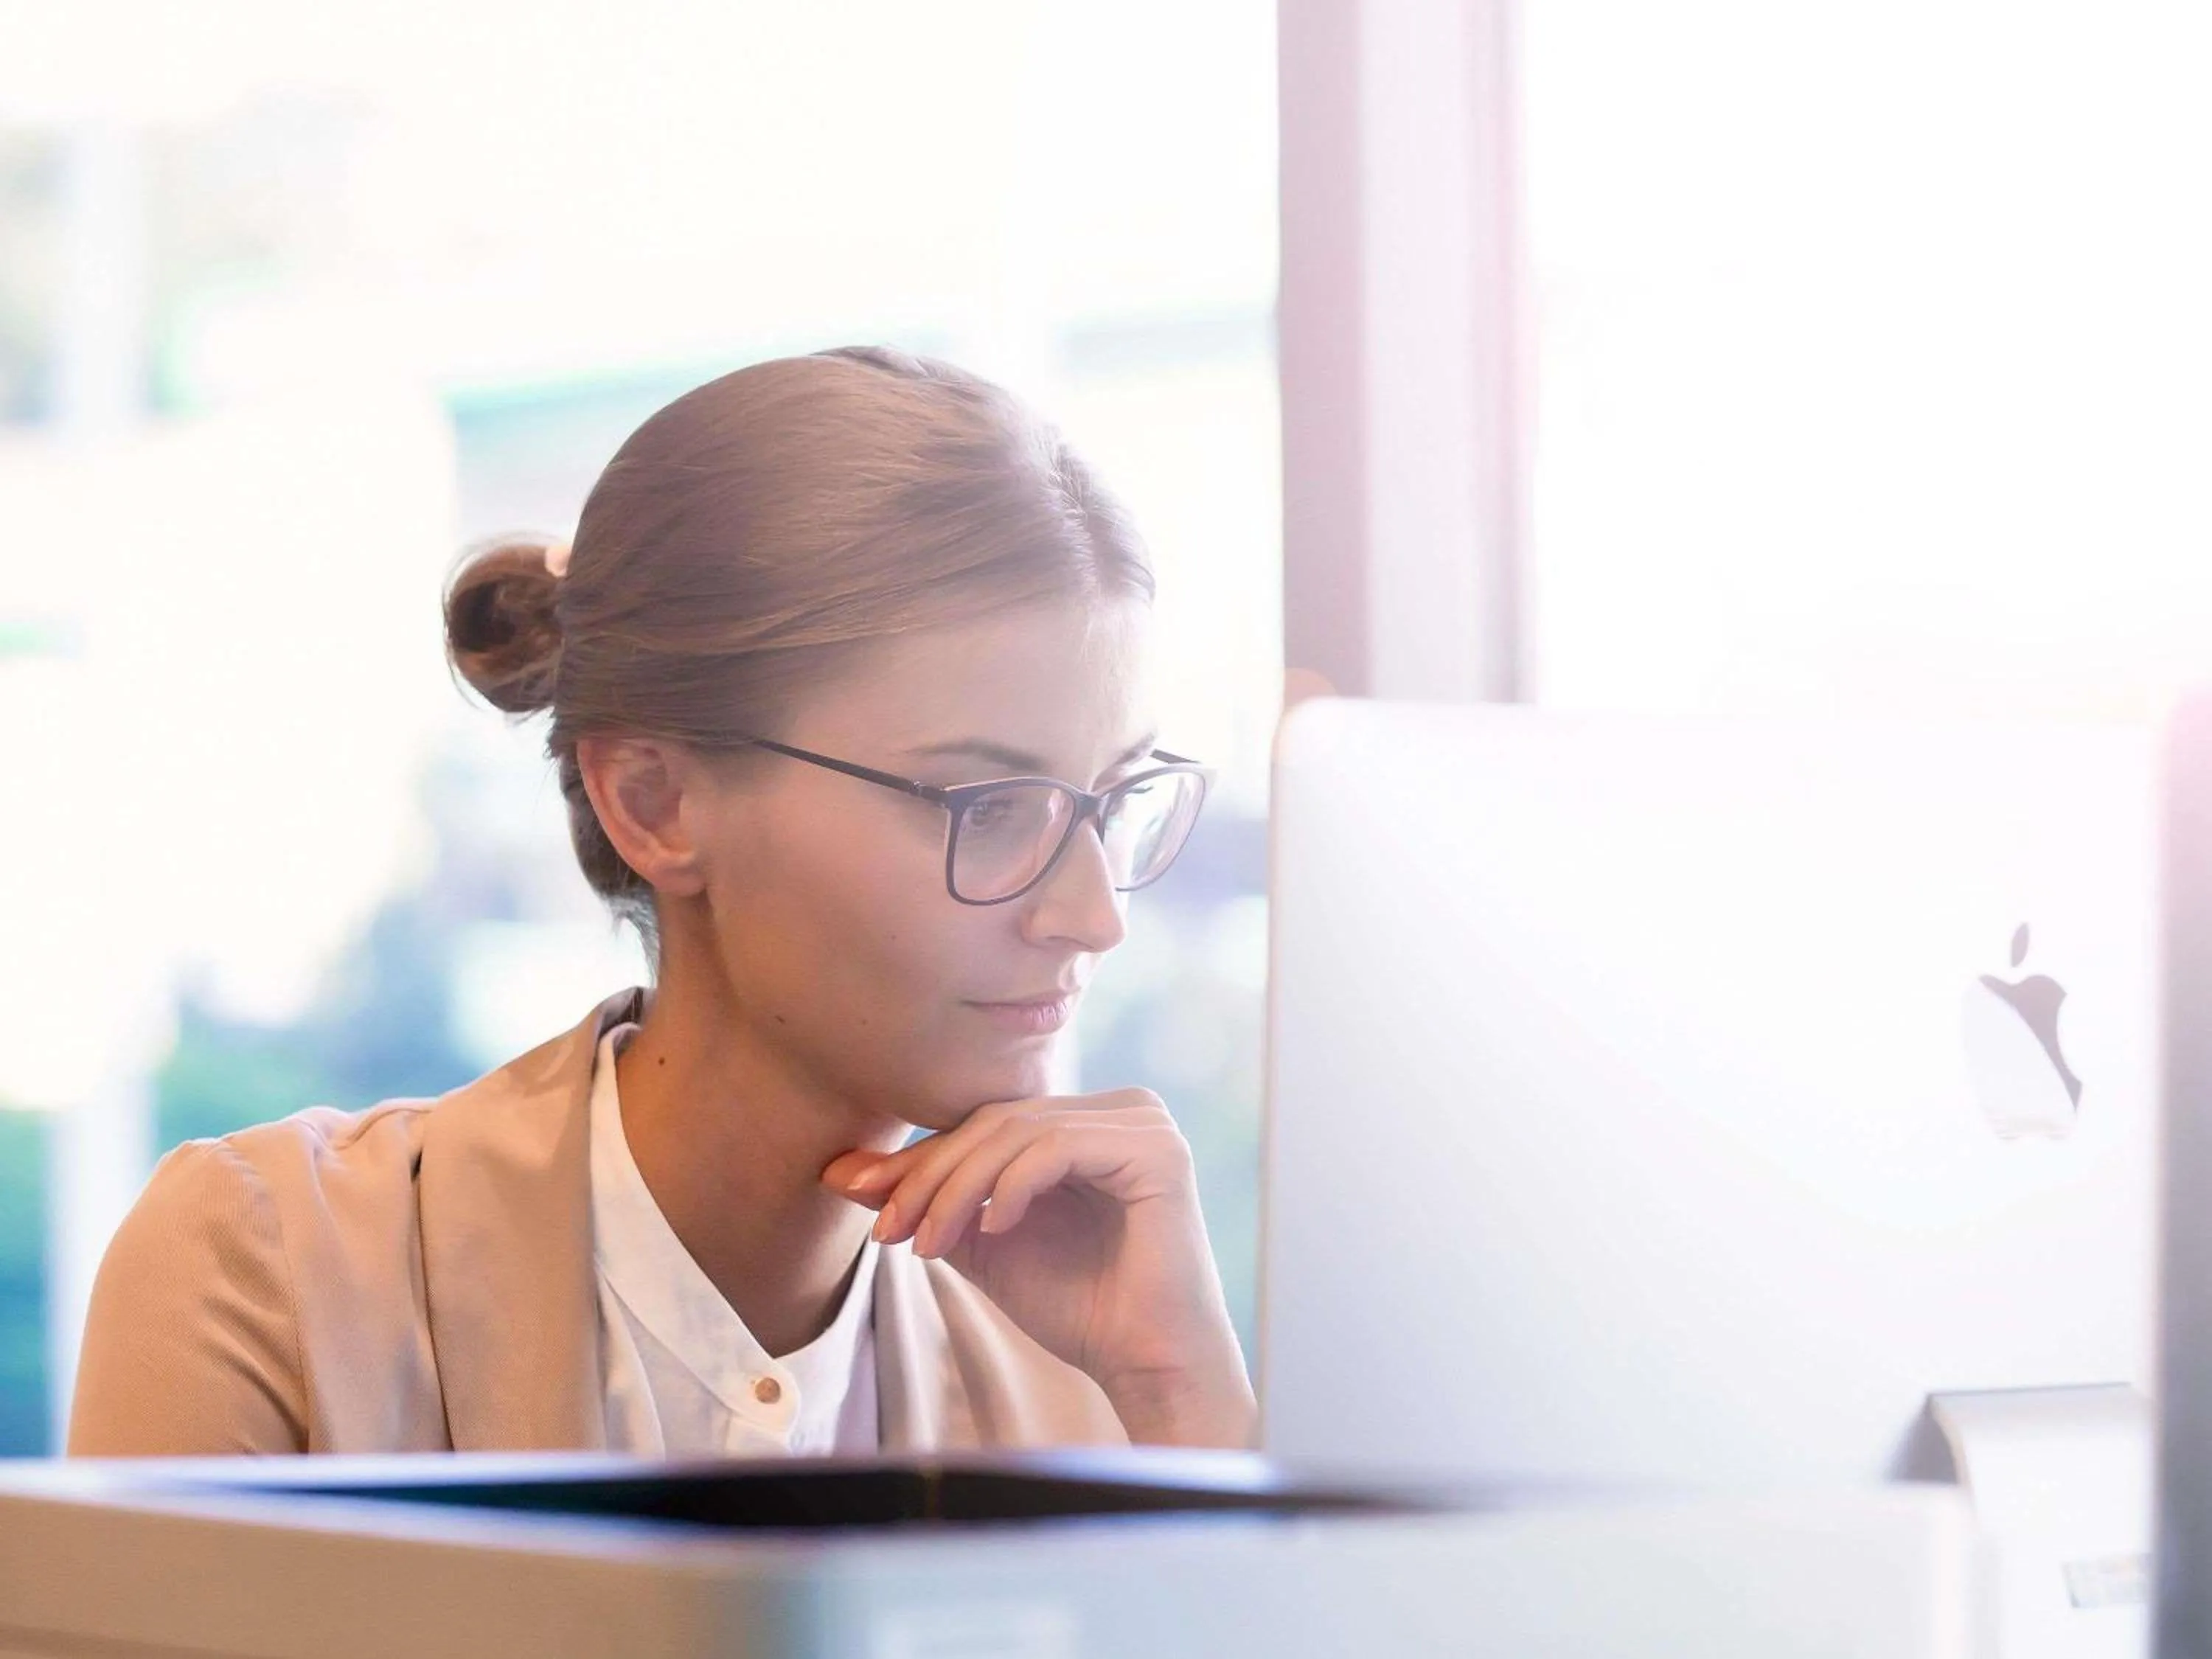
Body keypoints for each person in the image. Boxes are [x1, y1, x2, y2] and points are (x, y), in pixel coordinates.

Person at [67, 347, 1256, 1457]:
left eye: (1109, 800)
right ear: (655, 801)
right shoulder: (273, 1273)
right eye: (990, 803)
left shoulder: (1091, 1350)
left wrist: (1178, 1386)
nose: (1093, 916)